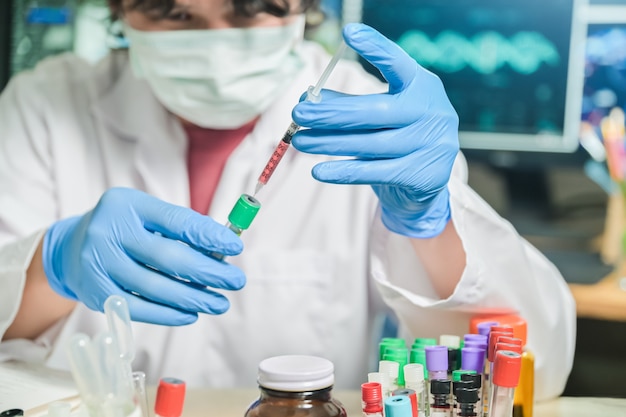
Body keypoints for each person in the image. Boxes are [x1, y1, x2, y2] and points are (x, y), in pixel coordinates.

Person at [0, 0, 574, 400]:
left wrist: (431, 223)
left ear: (303, 6)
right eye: (172, 11)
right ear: (120, 10)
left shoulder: (376, 121)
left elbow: (534, 370)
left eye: (250, 6)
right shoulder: (45, 103)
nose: (214, 42)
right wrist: (50, 266)